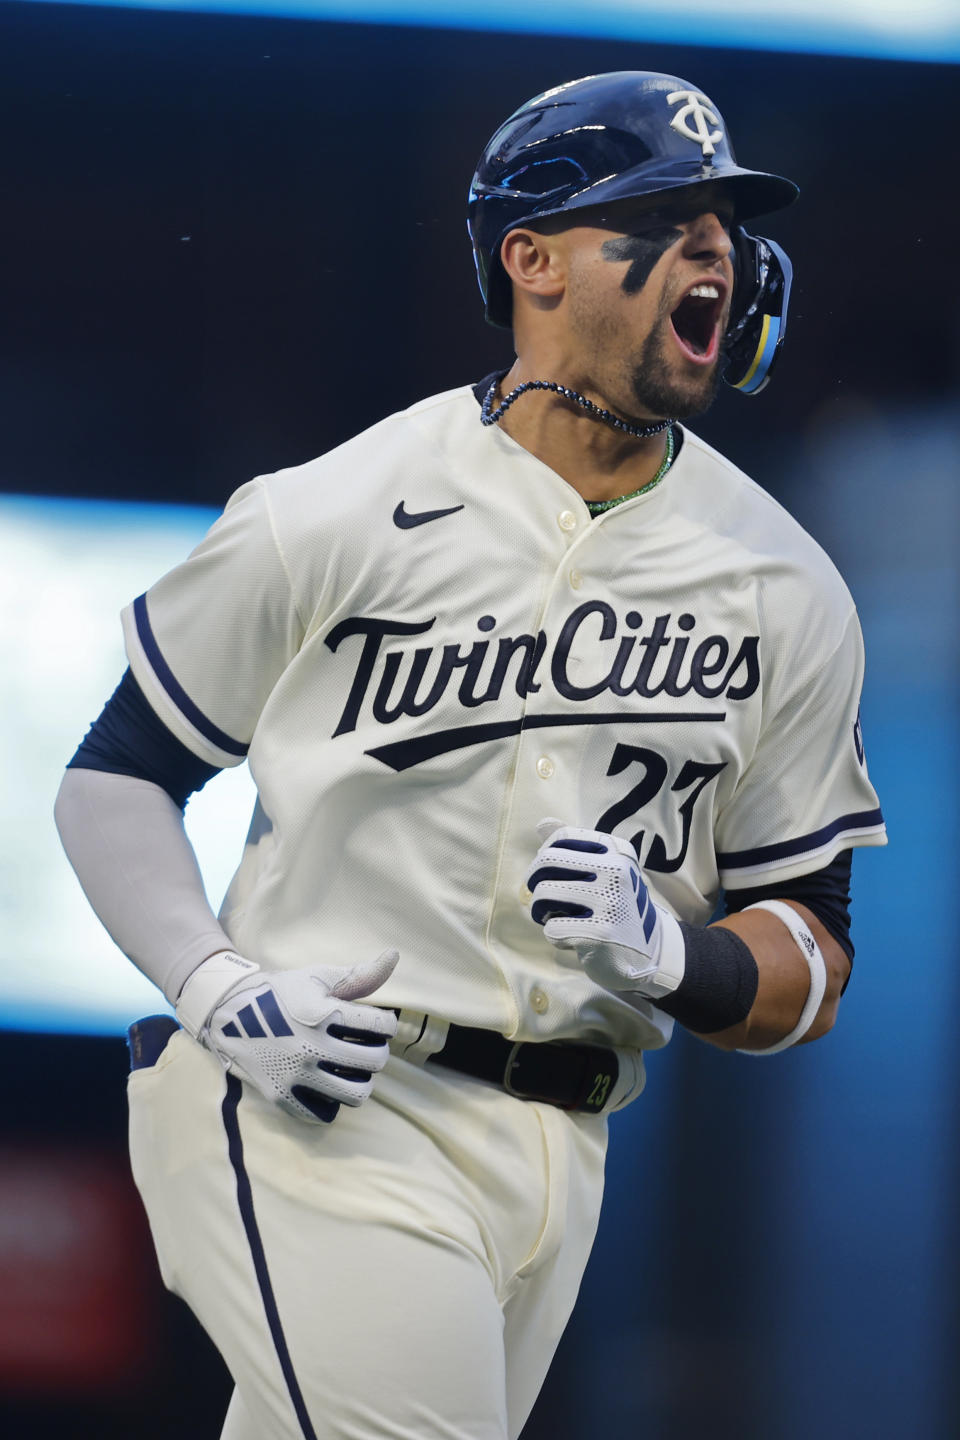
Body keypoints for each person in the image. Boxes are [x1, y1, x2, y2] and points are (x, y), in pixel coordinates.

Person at [55, 70, 886, 1440]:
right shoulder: (332, 510)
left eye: (728, 227)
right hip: (326, 1100)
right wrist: (213, 980)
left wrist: (683, 956)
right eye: (670, 217)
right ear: (534, 260)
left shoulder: (785, 585)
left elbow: (818, 958)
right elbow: (117, 772)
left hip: (562, 1147)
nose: (718, 253)